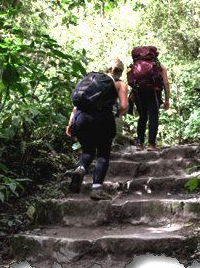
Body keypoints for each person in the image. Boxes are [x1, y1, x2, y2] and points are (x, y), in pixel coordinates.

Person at [66, 58, 128, 201]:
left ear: (107, 69)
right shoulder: (119, 83)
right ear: (120, 71)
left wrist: (71, 123)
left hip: (80, 118)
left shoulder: (91, 79)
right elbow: (124, 107)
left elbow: (76, 104)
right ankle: (96, 189)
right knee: (103, 154)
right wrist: (115, 115)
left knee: (87, 151)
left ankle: (80, 169)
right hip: (101, 119)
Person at [134, 62, 170, 151]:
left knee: (142, 117)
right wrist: (167, 100)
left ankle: (139, 144)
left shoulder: (136, 64)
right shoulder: (159, 65)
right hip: (154, 92)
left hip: (138, 93)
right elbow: (166, 82)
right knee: (153, 117)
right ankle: (151, 144)